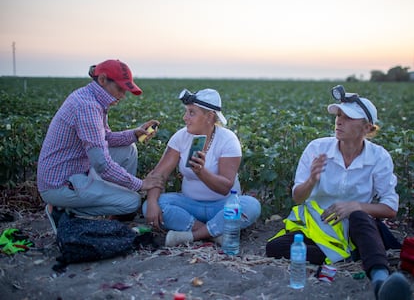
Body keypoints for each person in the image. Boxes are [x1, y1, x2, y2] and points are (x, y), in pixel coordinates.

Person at [266, 85, 411, 300]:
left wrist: (356, 206)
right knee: (274, 247)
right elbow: (297, 197)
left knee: (360, 218)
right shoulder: (316, 148)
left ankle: (380, 280)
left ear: (367, 128)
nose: (339, 121)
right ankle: (352, 255)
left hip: (356, 228)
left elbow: (390, 208)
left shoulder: (379, 157)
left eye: (348, 118)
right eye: (339, 115)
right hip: (317, 228)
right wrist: (311, 180)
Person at [37, 59, 164, 234]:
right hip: (61, 183)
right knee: (132, 201)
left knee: (129, 149)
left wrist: (135, 134)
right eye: (120, 89)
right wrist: (140, 184)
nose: (122, 96)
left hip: (76, 169)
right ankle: (62, 209)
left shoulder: (90, 98)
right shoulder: (87, 106)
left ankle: (114, 208)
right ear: (103, 80)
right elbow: (102, 165)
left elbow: (105, 137)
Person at [142, 88, 261, 247]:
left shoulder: (228, 140)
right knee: (152, 205)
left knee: (251, 206)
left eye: (191, 113)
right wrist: (151, 202)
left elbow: (225, 187)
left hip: (223, 205)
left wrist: (202, 172)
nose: (185, 118)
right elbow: (159, 175)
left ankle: (191, 236)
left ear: (210, 117)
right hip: (190, 205)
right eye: (186, 112)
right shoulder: (181, 137)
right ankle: (213, 233)